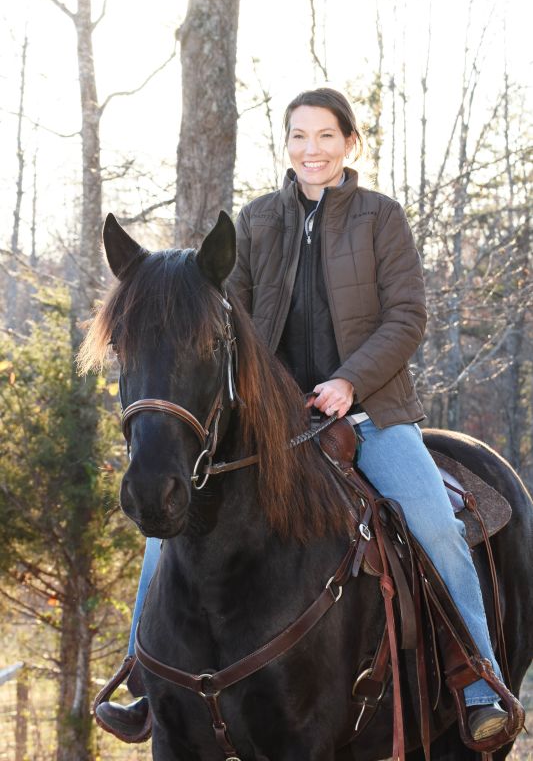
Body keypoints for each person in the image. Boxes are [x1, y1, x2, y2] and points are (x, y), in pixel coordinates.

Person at [96, 87, 518, 745]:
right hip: (276, 421)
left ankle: (475, 681)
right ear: (286, 144)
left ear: (348, 143)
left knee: (433, 523)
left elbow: (407, 317)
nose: (310, 149)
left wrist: (350, 381)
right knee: (165, 534)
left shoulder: (381, 219)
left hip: (371, 412)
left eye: (324, 136)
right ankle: (146, 681)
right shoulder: (257, 221)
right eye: (298, 136)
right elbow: (220, 315)